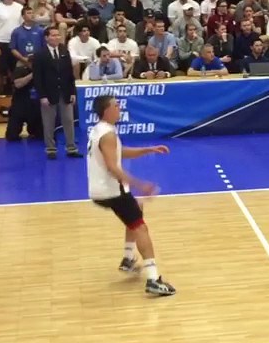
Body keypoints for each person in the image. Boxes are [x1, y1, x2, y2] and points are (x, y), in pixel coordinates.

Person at [87, 94, 175, 297]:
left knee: (137, 209)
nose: (119, 108)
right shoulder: (107, 134)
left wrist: (148, 149)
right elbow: (112, 166)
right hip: (111, 190)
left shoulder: (101, 130)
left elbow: (119, 152)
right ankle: (153, 279)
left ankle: (128, 258)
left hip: (100, 190)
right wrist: (140, 184)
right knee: (141, 227)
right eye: (116, 106)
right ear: (106, 110)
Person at [32, 26, 80, 160]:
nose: (56, 38)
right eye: (53, 35)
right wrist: (42, 95)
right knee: (49, 123)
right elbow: (38, 77)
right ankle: (51, 149)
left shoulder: (65, 52)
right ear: (46, 38)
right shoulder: (40, 55)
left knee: (69, 121)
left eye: (58, 35)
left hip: (64, 92)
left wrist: (72, 92)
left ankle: (71, 148)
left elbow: (69, 74)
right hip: (48, 93)